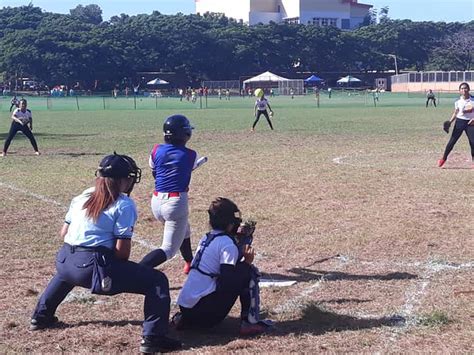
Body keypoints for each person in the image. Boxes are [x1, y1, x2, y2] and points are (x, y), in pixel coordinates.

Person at [29, 153, 182, 354]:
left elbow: (63, 233)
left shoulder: (82, 195)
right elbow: (122, 254)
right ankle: (153, 337)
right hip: (92, 267)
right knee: (157, 280)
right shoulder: (123, 204)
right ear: (123, 179)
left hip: (65, 261)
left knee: (67, 274)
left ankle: (40, 316)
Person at [173, 197, 272, 336]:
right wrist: (246, 262)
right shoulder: (227, 244)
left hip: (186, 309)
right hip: (205, 316)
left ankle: (186, 320)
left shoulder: (206, 237)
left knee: (230, 273)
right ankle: (249, 322)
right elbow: (228, 281)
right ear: (230, 224)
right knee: (250, 273)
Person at [140, 115, 206, 273]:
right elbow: (182, 168)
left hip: (156, 201)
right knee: (168, 250)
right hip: (175, 204)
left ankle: (190, 262)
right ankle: (136, 271)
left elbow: (157, 172)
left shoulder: (156, 150)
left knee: (185, 229)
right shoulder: (191, 154)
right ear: (184, 134)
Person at [438, 82, 474, 168]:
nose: (464, 90)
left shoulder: (473, 99)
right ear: (459, 91)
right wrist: (450, 122)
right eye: (461, 88)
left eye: (465, 88)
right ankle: (443, 158)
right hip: (460, 122)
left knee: (473, 142)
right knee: (452, 141)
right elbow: (456, 112)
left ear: (468, 89)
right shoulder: (458, 101)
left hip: (471, 123)